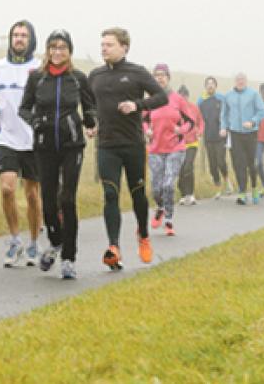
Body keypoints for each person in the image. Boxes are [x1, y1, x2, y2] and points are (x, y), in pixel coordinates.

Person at [18, 30, 96, 279]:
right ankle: (56, 242)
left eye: (62, 48)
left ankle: (69, 258)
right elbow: (24, 108)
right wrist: (36, 122)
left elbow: (90, 106)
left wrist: (91, 120)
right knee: (49, 200)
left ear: (69, 51)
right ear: (47, 50)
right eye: (53, 47)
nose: (57, 52)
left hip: (72, 144)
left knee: (68, 199)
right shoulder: (37, 78)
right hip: (44, 145)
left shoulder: (78, 78)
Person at [87, 27, 167, 270]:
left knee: (137, 195)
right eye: (102, 45)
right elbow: (88, 105)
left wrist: (137, 105)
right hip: (107, 145)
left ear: (124, 47)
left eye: (109, 44)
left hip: (132, 143)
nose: (104, 49)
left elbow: (161, 97)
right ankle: (114, 248)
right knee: (110, 194)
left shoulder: (137, 72)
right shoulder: (95, 75)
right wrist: (90, 124)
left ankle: (143, 234)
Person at [0, 20, 42, 267]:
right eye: (15, 35)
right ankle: (15, 239)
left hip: (33, 140)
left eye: (23, 36)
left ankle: (33, 242)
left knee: (31, 195)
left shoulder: (40, 66)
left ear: (31, 40)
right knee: (7, 189)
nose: (19, 39)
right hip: (6, 138)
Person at [143, 65, 198, 235]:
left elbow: (191, 121)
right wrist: (147, 131)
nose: (159, 78)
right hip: (155, 148)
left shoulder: (178, 99)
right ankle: (160, 207)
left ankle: (168, 220)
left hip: (175, 147)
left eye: (163, 75)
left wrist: (180, 131)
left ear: (168, 78)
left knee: (168, 184)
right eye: (156, 75)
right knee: (156, 187)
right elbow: (143, 120)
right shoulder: (150, 100)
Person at [219, 72, 264, 205]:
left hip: (250, 133)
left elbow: (263, 111)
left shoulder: (253, 94)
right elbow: (224, 114)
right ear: (234, 81)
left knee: (251, 164)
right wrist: (223, 127)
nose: (240, 81)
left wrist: (252, 121)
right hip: (235, 133)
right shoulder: (228, 96)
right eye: (238, 79)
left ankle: (254, 188)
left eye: (243, 79)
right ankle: (242, 192)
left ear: (246, 81)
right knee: (239, 163)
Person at [197, 76, 233, 199]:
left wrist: (226, 128)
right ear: (205, 86)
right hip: (208, 136)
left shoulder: (221, 98)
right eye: (208, 83)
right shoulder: (201, 101)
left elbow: (228, 114)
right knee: (212, 165)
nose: (210, 85)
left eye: (212, 83)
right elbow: (198, 118)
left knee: (221, 161)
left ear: (216, 86)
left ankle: (227, 181)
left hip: (221, 135)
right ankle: (218, 188)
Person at [175, 85, 204, 206]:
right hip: (178, 144)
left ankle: (190, 195)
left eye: (185, 96)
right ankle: (182, 195)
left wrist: (199, 132)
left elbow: (201, 122)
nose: (183, 98)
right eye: (180, 96)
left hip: (192, 142)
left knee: (188, 166)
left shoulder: (194, 108)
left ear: (187, 96)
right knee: (181, 169)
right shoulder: (174, 109)